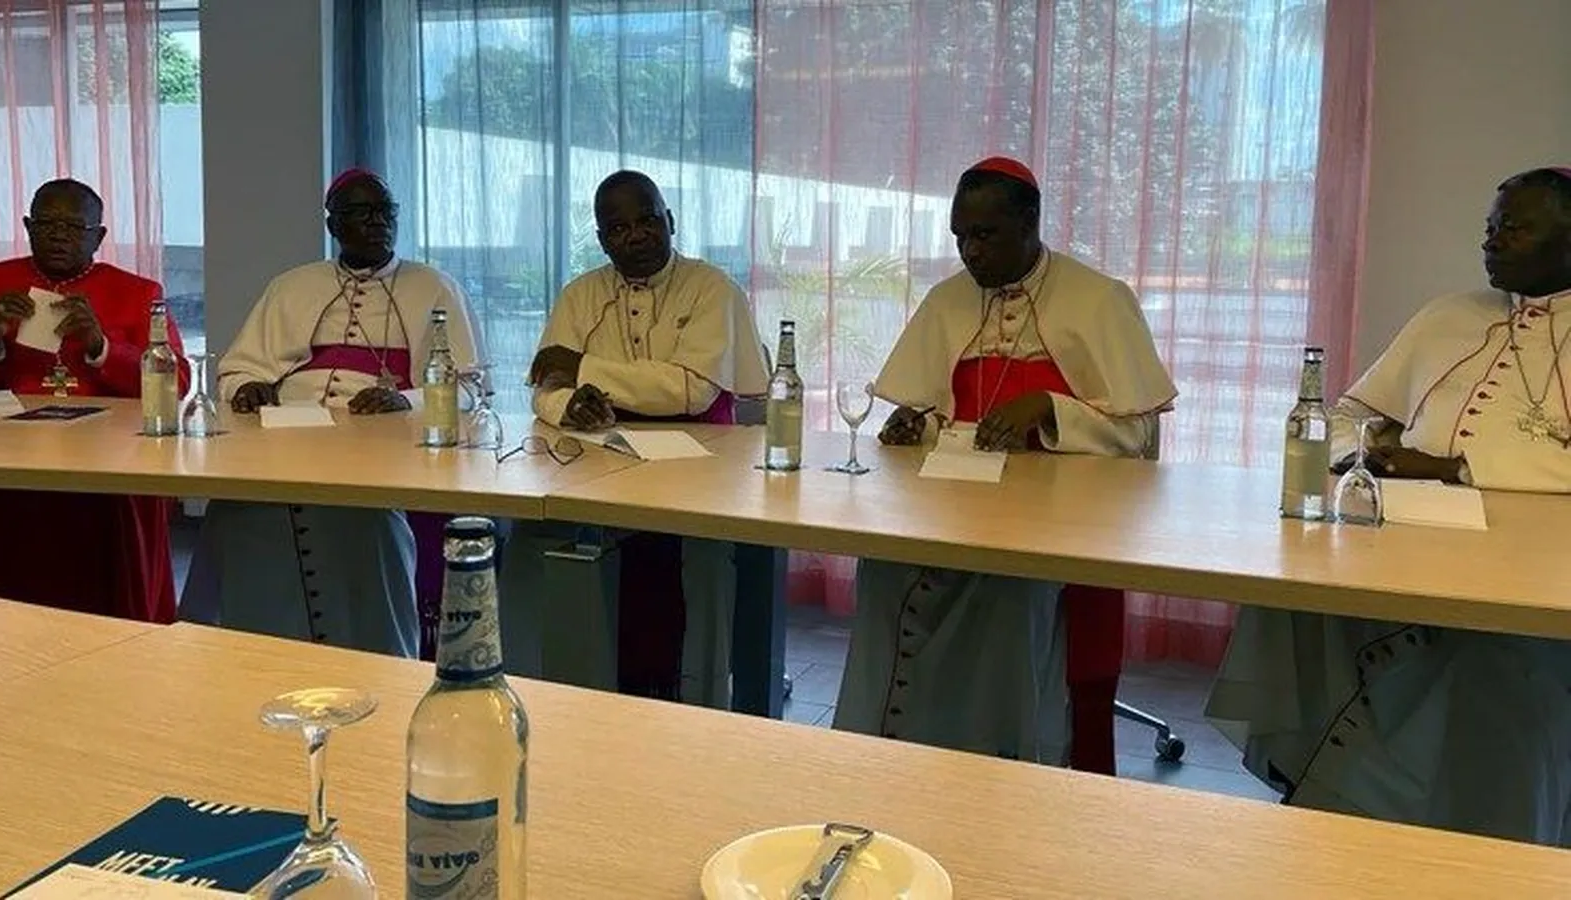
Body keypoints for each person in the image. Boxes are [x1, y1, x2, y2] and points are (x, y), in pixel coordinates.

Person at [1206, 166, 1571, 844]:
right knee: (1294, 591)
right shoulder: (1447, 316)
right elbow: (1349, 415)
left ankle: (1490, 835)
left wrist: (1455, 468)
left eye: (1516, 228)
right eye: (1490, 227)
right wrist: (1369, 452)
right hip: (1405, 541)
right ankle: (1345, 804)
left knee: (1496, 669)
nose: (1492, 242)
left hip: (1535, 572)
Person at [832, 157, 1176, 764]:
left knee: (1011, 594)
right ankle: (890, 754)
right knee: (883, 570)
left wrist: (1050, 409)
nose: (970, 252)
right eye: (960, 236)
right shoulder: (948, 301)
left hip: (1055, 525)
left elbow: (1138, 433)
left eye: (985, 235)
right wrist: (916, 422)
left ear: (1030, 222)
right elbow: (941, 410)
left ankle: (998, 758)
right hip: (952, 510)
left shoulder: (1098, 300)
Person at [180, 169, 479, 657]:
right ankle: (252, 649)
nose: (378, 222)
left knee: (365, 522)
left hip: (381, 445)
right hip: (286, 436)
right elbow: (239, 367)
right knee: (240, 511)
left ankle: (372, 648)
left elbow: (468, 386)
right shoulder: (292, 286)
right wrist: (247, 386)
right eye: (361, 213)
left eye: (386, 212)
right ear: (333, 224)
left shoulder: (434, 287)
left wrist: (405, 400)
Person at [514, 169, 768, 702]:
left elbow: (690, 390)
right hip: (604, 464)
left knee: (698, 575)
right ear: (602, 238)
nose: (636, 236)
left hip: (699, 467)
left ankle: (697, 701)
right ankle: (581, 696)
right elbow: (544, 387)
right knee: (541, 546)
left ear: (670, 220)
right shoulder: (580, 294)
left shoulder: (711, 288)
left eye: (648, 220)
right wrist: (569, 404)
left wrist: (583, 368)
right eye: (618, 228)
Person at [0, 178, 187, 622]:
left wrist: (101, 345)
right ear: (27, 227)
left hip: (106, 465)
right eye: (46, 224)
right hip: (5, 461)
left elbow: (176, 382)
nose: (58, 235)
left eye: (73, 226)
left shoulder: (138, 293)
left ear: (98, 236)